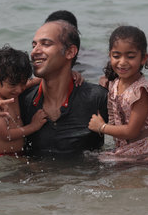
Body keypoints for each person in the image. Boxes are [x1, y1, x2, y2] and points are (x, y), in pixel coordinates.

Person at [88, 26, 148, 162]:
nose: (122, 62)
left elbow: (132, 131)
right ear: (110, 56)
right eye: (116, 56)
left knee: (100, 163)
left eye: (130, 56)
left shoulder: (140, 91)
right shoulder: (114, 82)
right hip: (130, 147)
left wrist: (102, 127)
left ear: (143, 58)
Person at [17, 20, 108, 156]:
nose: (34, 52)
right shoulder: (23, 100)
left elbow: (131, 142)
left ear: (70, 52)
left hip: (86, 177)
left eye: (46, 44)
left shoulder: (97, 98)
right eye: (34, 45)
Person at [0, 46, 48, 156]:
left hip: (17, 153)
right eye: (13, 85)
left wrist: (69, 75)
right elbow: (6, 135)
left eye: (23, 83)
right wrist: (34, 126)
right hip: (1, 156)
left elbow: (40, 79)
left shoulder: (14, 88)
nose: (20, 89)